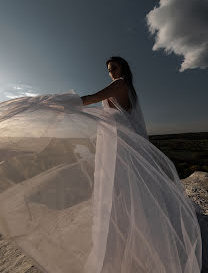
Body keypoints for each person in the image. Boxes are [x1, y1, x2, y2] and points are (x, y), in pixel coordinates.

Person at [0, 57, 202, 273]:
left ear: (123, 67)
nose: (111, 72)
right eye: (108, 70)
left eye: (114, 68)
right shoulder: (129, 89)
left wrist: (61, 103)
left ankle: (134, 248)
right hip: (121, 151)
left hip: (122, 152)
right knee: (128, 196)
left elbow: (94, 98)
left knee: (124, 195)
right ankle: (135, 242)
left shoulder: (120, 84)